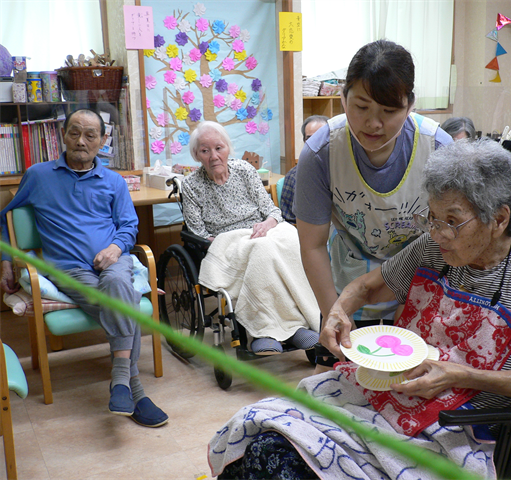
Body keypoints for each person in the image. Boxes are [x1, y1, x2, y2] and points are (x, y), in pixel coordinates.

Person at [207, 139, 511, 479]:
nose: (437, 234)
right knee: (260, 441)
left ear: (499, 219)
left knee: (287, 469)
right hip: (386, 395)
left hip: (464, 426)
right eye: (432, 219)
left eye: (451, 222)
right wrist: (338, 309)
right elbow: (366, 287)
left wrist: (460, 375)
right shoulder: (432, 248)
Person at [0, 109, 168, 427]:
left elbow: (129, 225)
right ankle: (133, 387)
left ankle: (121, 381)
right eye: (74, 132)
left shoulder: (114, 181)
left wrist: (115, 248)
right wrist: (5, 261)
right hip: (67, 268)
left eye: (91, 135)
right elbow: (5, 218)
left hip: (113, 261)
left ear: (102, 141)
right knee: (124, 299)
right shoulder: (38, 176)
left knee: (119, 286)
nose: (81, 140)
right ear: (63, 135)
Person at [293, 40, 453, 369]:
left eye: (389, 111)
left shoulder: (438, 148)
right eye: (361, 106)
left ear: (410, 105)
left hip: (421, 290)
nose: (373, 124)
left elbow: (455, 237)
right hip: (349, 291)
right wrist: (334, 311)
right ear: (342, 98)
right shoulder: (320, 153)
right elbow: (312, 245)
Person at [181, 121, 320, 355]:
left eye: (219, 148)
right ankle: (265, 331)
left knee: (293, 239)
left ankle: (299, 323)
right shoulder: (191, 185)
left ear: (228, 148)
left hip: (262, 231)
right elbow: (198, 233)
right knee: (262, 250)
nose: (214, 156)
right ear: (196, 154)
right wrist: (236, 239)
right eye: (205, 151)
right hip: (225, 241)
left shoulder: (245, 170)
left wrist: (267, 224)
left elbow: (273, 212)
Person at [279, 115, 329, 224]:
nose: (316, 142)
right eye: (310, 138)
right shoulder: (294, 175)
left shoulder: (345, 172)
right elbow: (289, 219)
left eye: (322, 136)